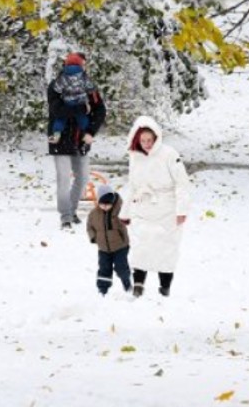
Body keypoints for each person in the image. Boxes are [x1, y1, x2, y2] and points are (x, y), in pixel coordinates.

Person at [118, 115, 191, 297]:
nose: (147, 144)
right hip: (142, 208)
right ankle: (138, 285)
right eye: (143, 140)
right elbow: (133, 186)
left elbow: (182, 183)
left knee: (166, 248)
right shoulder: (135, 157)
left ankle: (164, 286)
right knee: (141, 247)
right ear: (136, 139)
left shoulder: (169, 154)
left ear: (156, 138)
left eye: (150, 140)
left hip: (166, 208)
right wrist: (125, 212)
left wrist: (181, 210)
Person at [47, 51, 105, 230]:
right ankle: (65, 216)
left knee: (82, 178)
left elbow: (100, 110)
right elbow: (58, 111)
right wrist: (82, 107)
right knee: (63, 178)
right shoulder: (55, 86)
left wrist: (91, 132)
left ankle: (72, 211)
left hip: (81, 138)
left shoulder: (90, 87)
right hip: (59, 138)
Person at [87, 184, 131, 295]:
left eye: (108, 204)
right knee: (104, 269)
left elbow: (130, 218)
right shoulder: (94, 214)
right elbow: (89, 227)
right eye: (102, 204)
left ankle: (127, 284)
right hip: (103, 248)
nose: (105, 206)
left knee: (121, 268)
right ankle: (103, 290)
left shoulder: (121, 210)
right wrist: (93, 237)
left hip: (120, 246)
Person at [49, 52, 96, 143]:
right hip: (80, 101)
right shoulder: (83, 76)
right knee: (82, 118)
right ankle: (86, 135)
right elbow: (90, 87)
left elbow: (57, 88)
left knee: (61, 118)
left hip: (67, 102)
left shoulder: (63, 76)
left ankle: (56, 134)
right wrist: (91, 90)